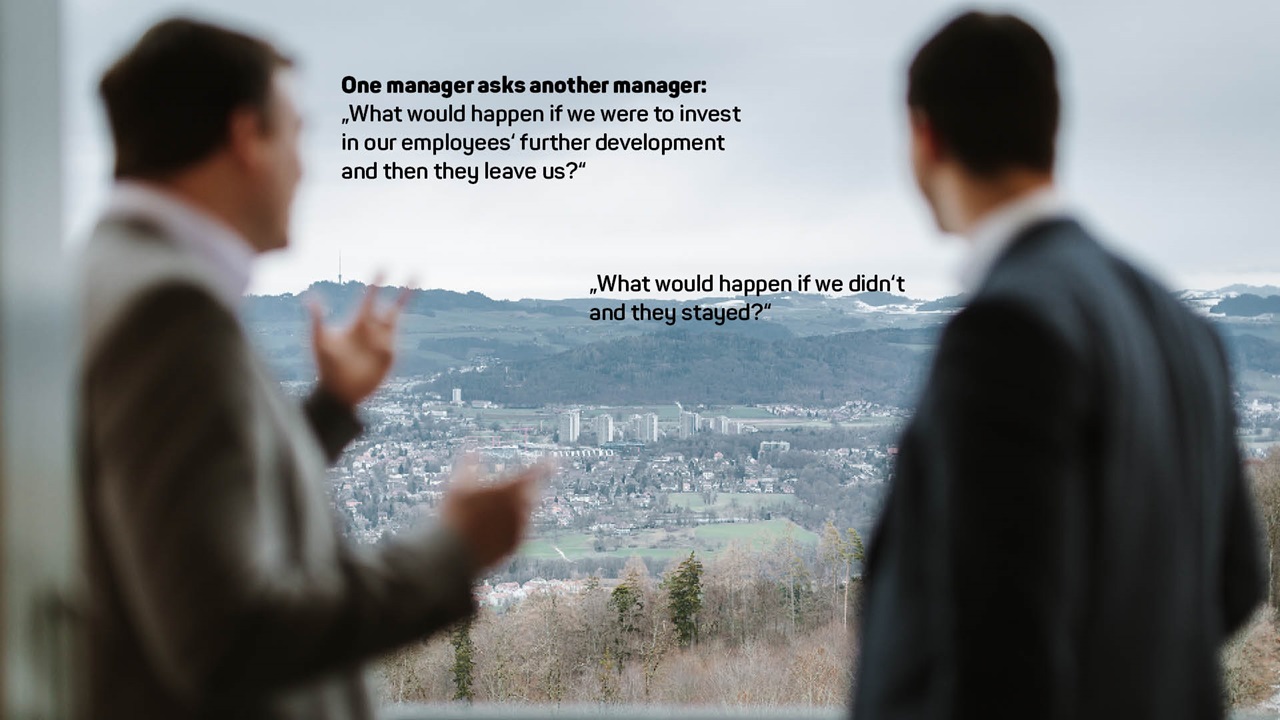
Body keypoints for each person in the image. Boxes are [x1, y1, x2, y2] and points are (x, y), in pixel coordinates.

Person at [75, 17, 548, 720]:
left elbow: (185, 504)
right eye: (298, 134)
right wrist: (452, 551)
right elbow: (226, 635)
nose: (307, 167)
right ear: (246, 138)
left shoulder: (106, 275)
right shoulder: (170, 309)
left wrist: (330, 407)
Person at [851, 11, 1264, 720]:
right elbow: (1236, 581)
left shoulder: (1004, 331)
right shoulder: (1183, 327)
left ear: (924, 136)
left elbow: (997, 645)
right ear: (1049, 130)